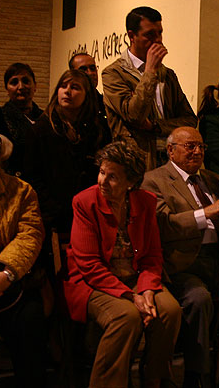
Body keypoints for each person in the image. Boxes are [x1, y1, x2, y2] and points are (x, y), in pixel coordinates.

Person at [142, 127, 219, 388]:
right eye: (190, 146)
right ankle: (196, 373)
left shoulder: (213, 179)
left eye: (201, 147)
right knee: (199, 299)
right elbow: (162, 225)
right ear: (171, 149)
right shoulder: (154, 180)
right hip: (183, 263)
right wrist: (205, 214)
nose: (197, 152)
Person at [62, 141, 182, 387]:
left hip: (135, 278)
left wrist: (147, 290)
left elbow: (152, 255)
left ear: (131, 182)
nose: (103, 181)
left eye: (113, 177)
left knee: (169, 310)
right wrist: (131, 296)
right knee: (127, 317)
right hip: (94, 282)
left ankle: (154, 379)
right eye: (102, 172)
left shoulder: (145, 202)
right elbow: (89, 265)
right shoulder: (84, 202)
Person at [25, 70, 112, 271]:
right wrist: (54, 209)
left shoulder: (98, 129)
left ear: (87, 95)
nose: (67, 92)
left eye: (75, 87)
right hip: (53, 213)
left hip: (91, 210)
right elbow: (32, 176)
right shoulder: (41, 129)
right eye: (63, 86)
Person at [102, 6, 197, 170]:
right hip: (137, 162)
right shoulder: (113, 73)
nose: (158, 40)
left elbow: (189, 120)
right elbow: (135, 116)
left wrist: (155, 126)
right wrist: (150, 72)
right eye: (150, 35)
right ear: (132, 36)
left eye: (160, 33)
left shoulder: (168, 75)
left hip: (169, 160)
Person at [0, 132, 46, 386]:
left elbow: (30, 235)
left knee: (29, 324)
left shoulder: (21, 191)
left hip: (10, 280)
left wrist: (7, 272)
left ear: (0, 161)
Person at [1, 63, 43, 177]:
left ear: (35, 86)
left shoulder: (46, 117)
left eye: (26, 81)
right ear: (7, 89)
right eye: (14, 82)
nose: (21, 87)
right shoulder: (0, 118)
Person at [69, 52, 111, 139]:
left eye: (93, 68)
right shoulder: (67, 105)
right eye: (83, 69)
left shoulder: (106, 103)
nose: (90, 73)